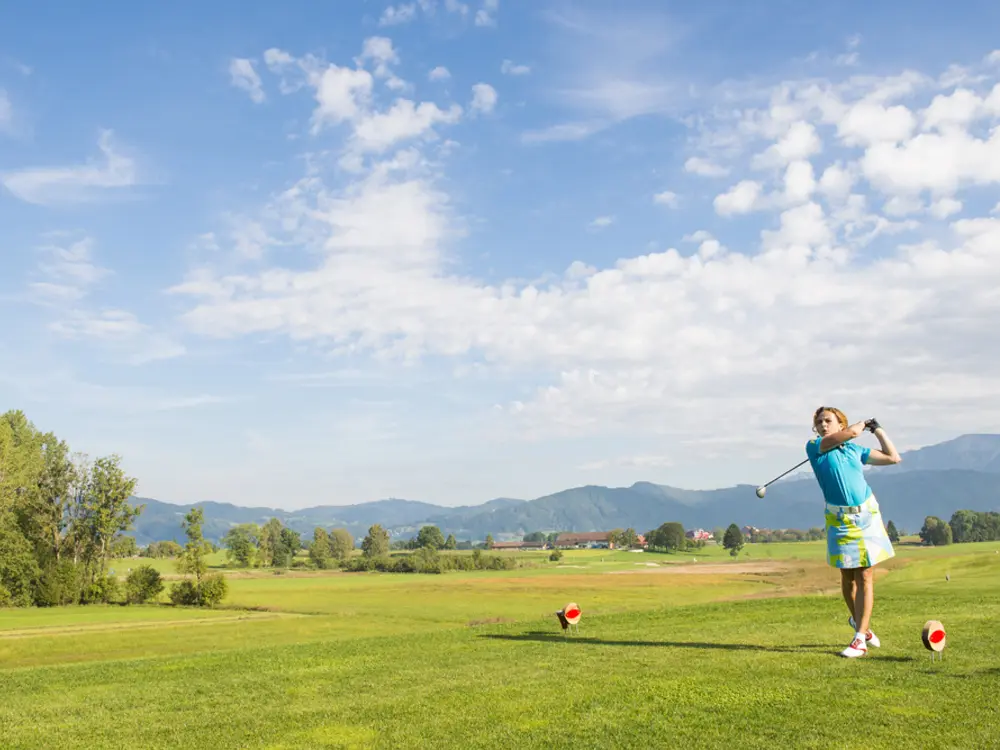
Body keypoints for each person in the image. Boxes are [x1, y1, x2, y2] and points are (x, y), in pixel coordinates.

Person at [805, 406, 901, 658]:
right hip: (839, 519)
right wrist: (858, 426)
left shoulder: (855, 450)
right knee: (847, 577)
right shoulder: (816, 447)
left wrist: (877, 430)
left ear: (839, 423)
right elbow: (838, 439)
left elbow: (893, 458)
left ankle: (859, 639)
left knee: (865, 575)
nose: (823, 425)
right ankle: (863, 626)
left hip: (867, 516)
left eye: (828, 421)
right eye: (819, 422)